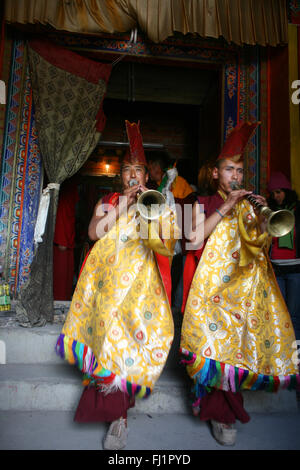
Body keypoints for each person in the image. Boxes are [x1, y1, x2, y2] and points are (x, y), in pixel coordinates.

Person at [56, 120, 178, 450]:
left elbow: (168, 243)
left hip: (141, 293)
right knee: (110, 349)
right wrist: (123, 204)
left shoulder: (156, 203)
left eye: (139, 170)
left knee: (133, 350)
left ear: (147, 175)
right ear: (120, 175)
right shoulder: (108, 200)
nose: (133, 176)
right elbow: (95, 233)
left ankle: (120, 415)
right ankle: (118, 419)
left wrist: (148, 209)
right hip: (108, 291)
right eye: (127, 170)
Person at [180, 121, 300, 446]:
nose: (236, 175)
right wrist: (226, 206)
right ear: (217, 174)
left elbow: (261, 248)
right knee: (212, 351)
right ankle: (218, 412)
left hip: (244, 295)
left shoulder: (251, 205)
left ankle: (225, 412)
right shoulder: (201, 202)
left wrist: (262, 219)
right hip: (210, 295)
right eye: (229, 169)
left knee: (236, 353)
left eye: (240, 169)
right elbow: (192, 240)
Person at [267, 171, 300, 341]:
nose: (276, 196)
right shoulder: (270, 211)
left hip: (296, 269)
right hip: (276, 268)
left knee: (294, 315)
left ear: (287, 191)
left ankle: (296, 356)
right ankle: (281, 355)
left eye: (279, 192)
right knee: (278, 315)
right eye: (273, 193)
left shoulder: (298, 210)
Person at [53, 177, 79, 300]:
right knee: (61, 282)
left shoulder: (69, 202)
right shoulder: (64, 200)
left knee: (65, 282)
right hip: (61, 245)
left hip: (67, 244)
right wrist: (62, 240)